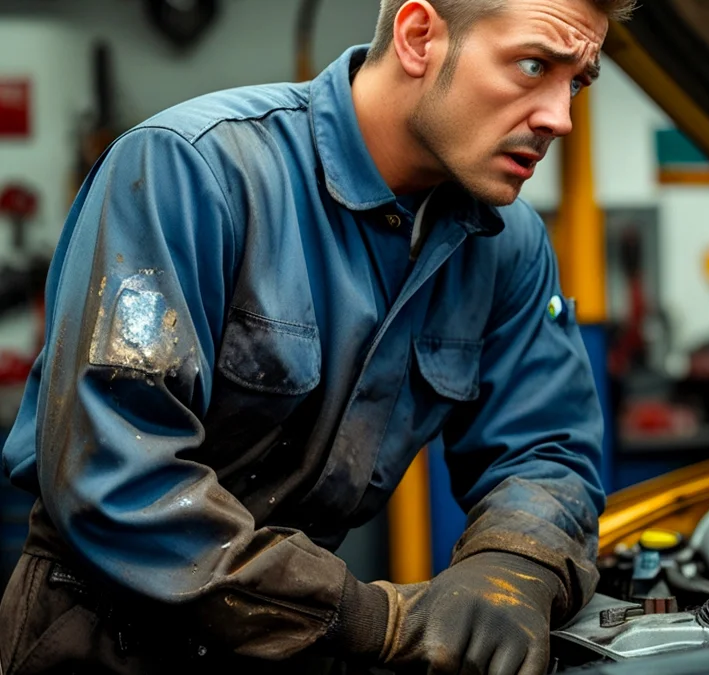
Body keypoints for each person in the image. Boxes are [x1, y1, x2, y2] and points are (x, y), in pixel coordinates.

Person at [0, 0, 635, 673]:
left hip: (297, 644)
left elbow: (546, 447)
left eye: (576, 81)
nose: (559, 117)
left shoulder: (507, 245)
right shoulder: (190, 171)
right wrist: (374, 618)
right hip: (105, 642)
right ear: (420, 37)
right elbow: (113, 476)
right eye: (533, 65)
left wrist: (514, 564)